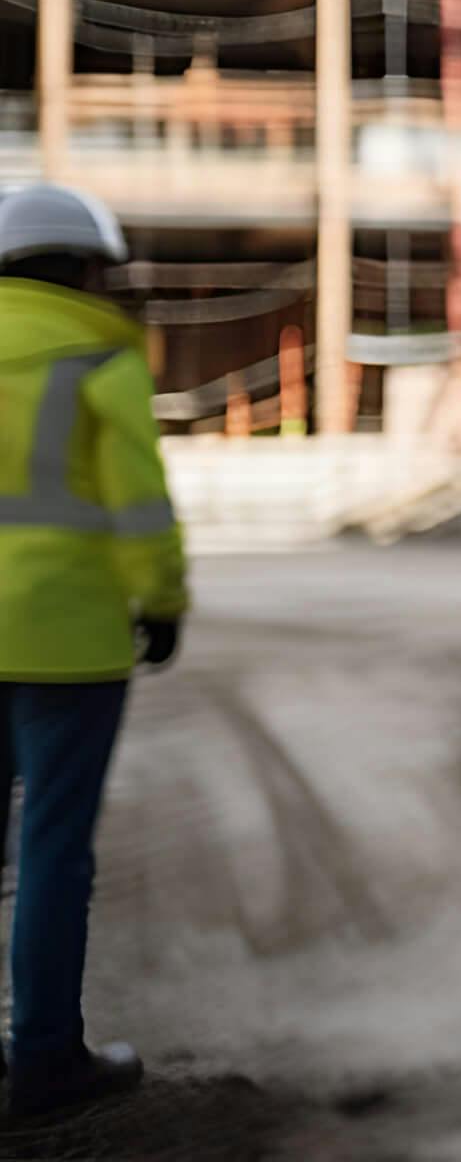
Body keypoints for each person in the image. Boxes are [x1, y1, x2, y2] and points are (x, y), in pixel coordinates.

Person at [0, 183, 183, 1119]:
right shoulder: (97, 350)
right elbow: (137, 501)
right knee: (52, 853)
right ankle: (44, 1062)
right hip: (66, 642)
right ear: (83, 266)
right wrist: (162, 601)